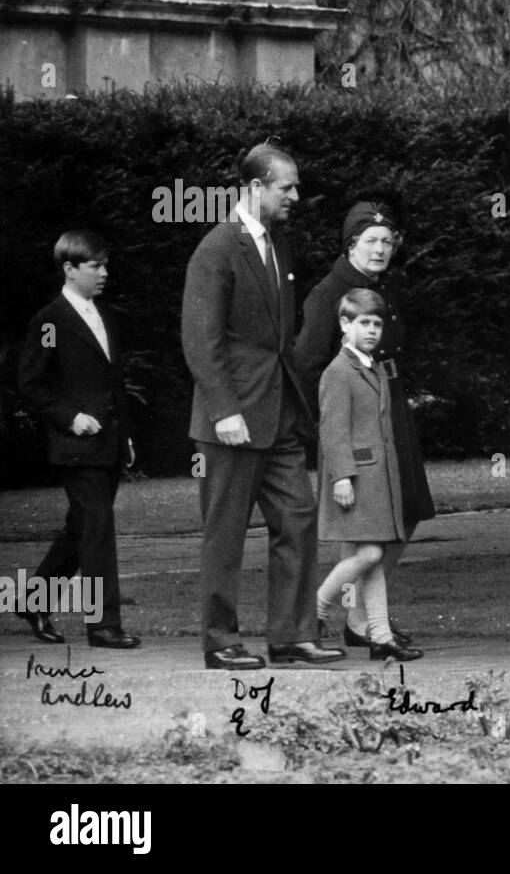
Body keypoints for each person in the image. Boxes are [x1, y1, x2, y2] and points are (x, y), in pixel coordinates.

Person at [182, 141, 344, 670]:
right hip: (233, 418)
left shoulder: (279, 245)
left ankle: (291, 636)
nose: (296, 196)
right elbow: (200, 340)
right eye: (286, 187)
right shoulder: (216, 249)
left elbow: (280, 340)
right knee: (225, 532)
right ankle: (219, 640)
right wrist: (225, 411)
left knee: (297, 519)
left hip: (280, 415)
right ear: (255, 189)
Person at [295, 197, 433, 649]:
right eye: (370, 241)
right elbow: (309, 366)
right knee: (366, 527)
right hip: (356, 419)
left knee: (405, 512)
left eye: (387, 241)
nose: (380, 249)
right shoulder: (327, 293)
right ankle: (360, 621)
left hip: (390, 405)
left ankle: (361, 618)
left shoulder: (382, 288)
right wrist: (338, 450)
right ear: (351, 244)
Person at [15, 230, 139, 648]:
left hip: (108, 444)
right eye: (95, 266)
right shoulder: (50, 322)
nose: (104, 273)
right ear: (69, 269)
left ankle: (33, 599)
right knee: (98, 530)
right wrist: (70, 419)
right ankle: (103, 625)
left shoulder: (104, 315)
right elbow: (31, 384)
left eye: (105, 265)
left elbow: (113, 383)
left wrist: (126, 437)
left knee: (82, 528)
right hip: (76, 447)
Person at [315, 289, 422, 661]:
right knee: (372, 553)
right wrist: (341, 476)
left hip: (378, 478)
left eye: (377, 324)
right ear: (345, 325)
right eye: (364, 323)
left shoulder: (373, 366)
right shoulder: (338, 371)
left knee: (371, 557)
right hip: (356, 479)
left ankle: (380, 636)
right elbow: (333, 429)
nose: (372, 330)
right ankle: (315, 608)